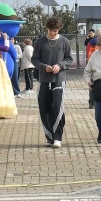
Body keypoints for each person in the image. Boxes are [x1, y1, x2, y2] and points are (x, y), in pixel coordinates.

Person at [32, 17, 74, 148]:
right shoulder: (40, 42)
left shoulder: (64, 41)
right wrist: (44, 67)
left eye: (55, 31)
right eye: (51, 30)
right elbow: (34, 59)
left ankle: (57, 137)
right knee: (44, 107)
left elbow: (69, 59)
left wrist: (60, 65)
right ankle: (49, 137)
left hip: (59, 79)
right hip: (44, 79)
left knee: (57, 106)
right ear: (47, 29)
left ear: (59, 29)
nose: (53, 33)